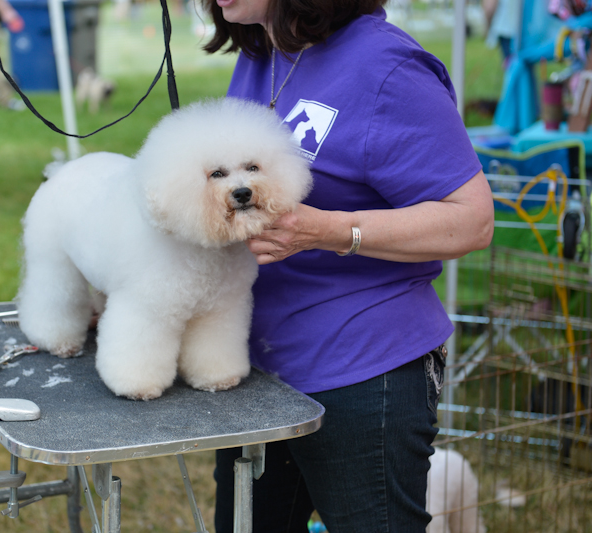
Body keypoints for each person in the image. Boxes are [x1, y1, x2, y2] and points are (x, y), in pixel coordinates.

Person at [201, 1, 495, 531]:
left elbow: (471, 221)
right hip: (258, 369)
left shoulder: (388, 68)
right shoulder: (261, 48)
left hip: (362, 370)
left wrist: (329, 231)